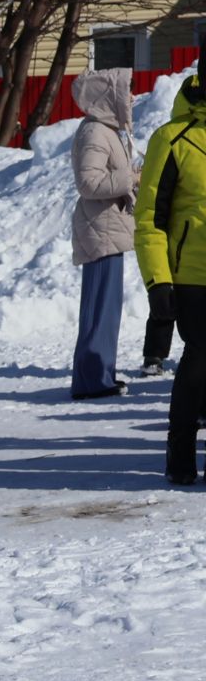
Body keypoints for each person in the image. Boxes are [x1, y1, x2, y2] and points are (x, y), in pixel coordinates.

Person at [135, 66, 206, 484]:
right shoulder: (172, 138)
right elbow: (149, 219)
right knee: (200, 359)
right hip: (193, 276)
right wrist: (158, 280)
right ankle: (180, 450)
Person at [68, 68, 138, 401]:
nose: (133, 98)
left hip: (109, 227)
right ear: (108, 96)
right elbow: (88, 183)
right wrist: (129, 179)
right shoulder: (96, 132)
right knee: (99, 307)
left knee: (106, 308)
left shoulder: (108, 130)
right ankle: (91, 380)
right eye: (128, 91)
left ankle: (100, 374)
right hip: (100, 229)